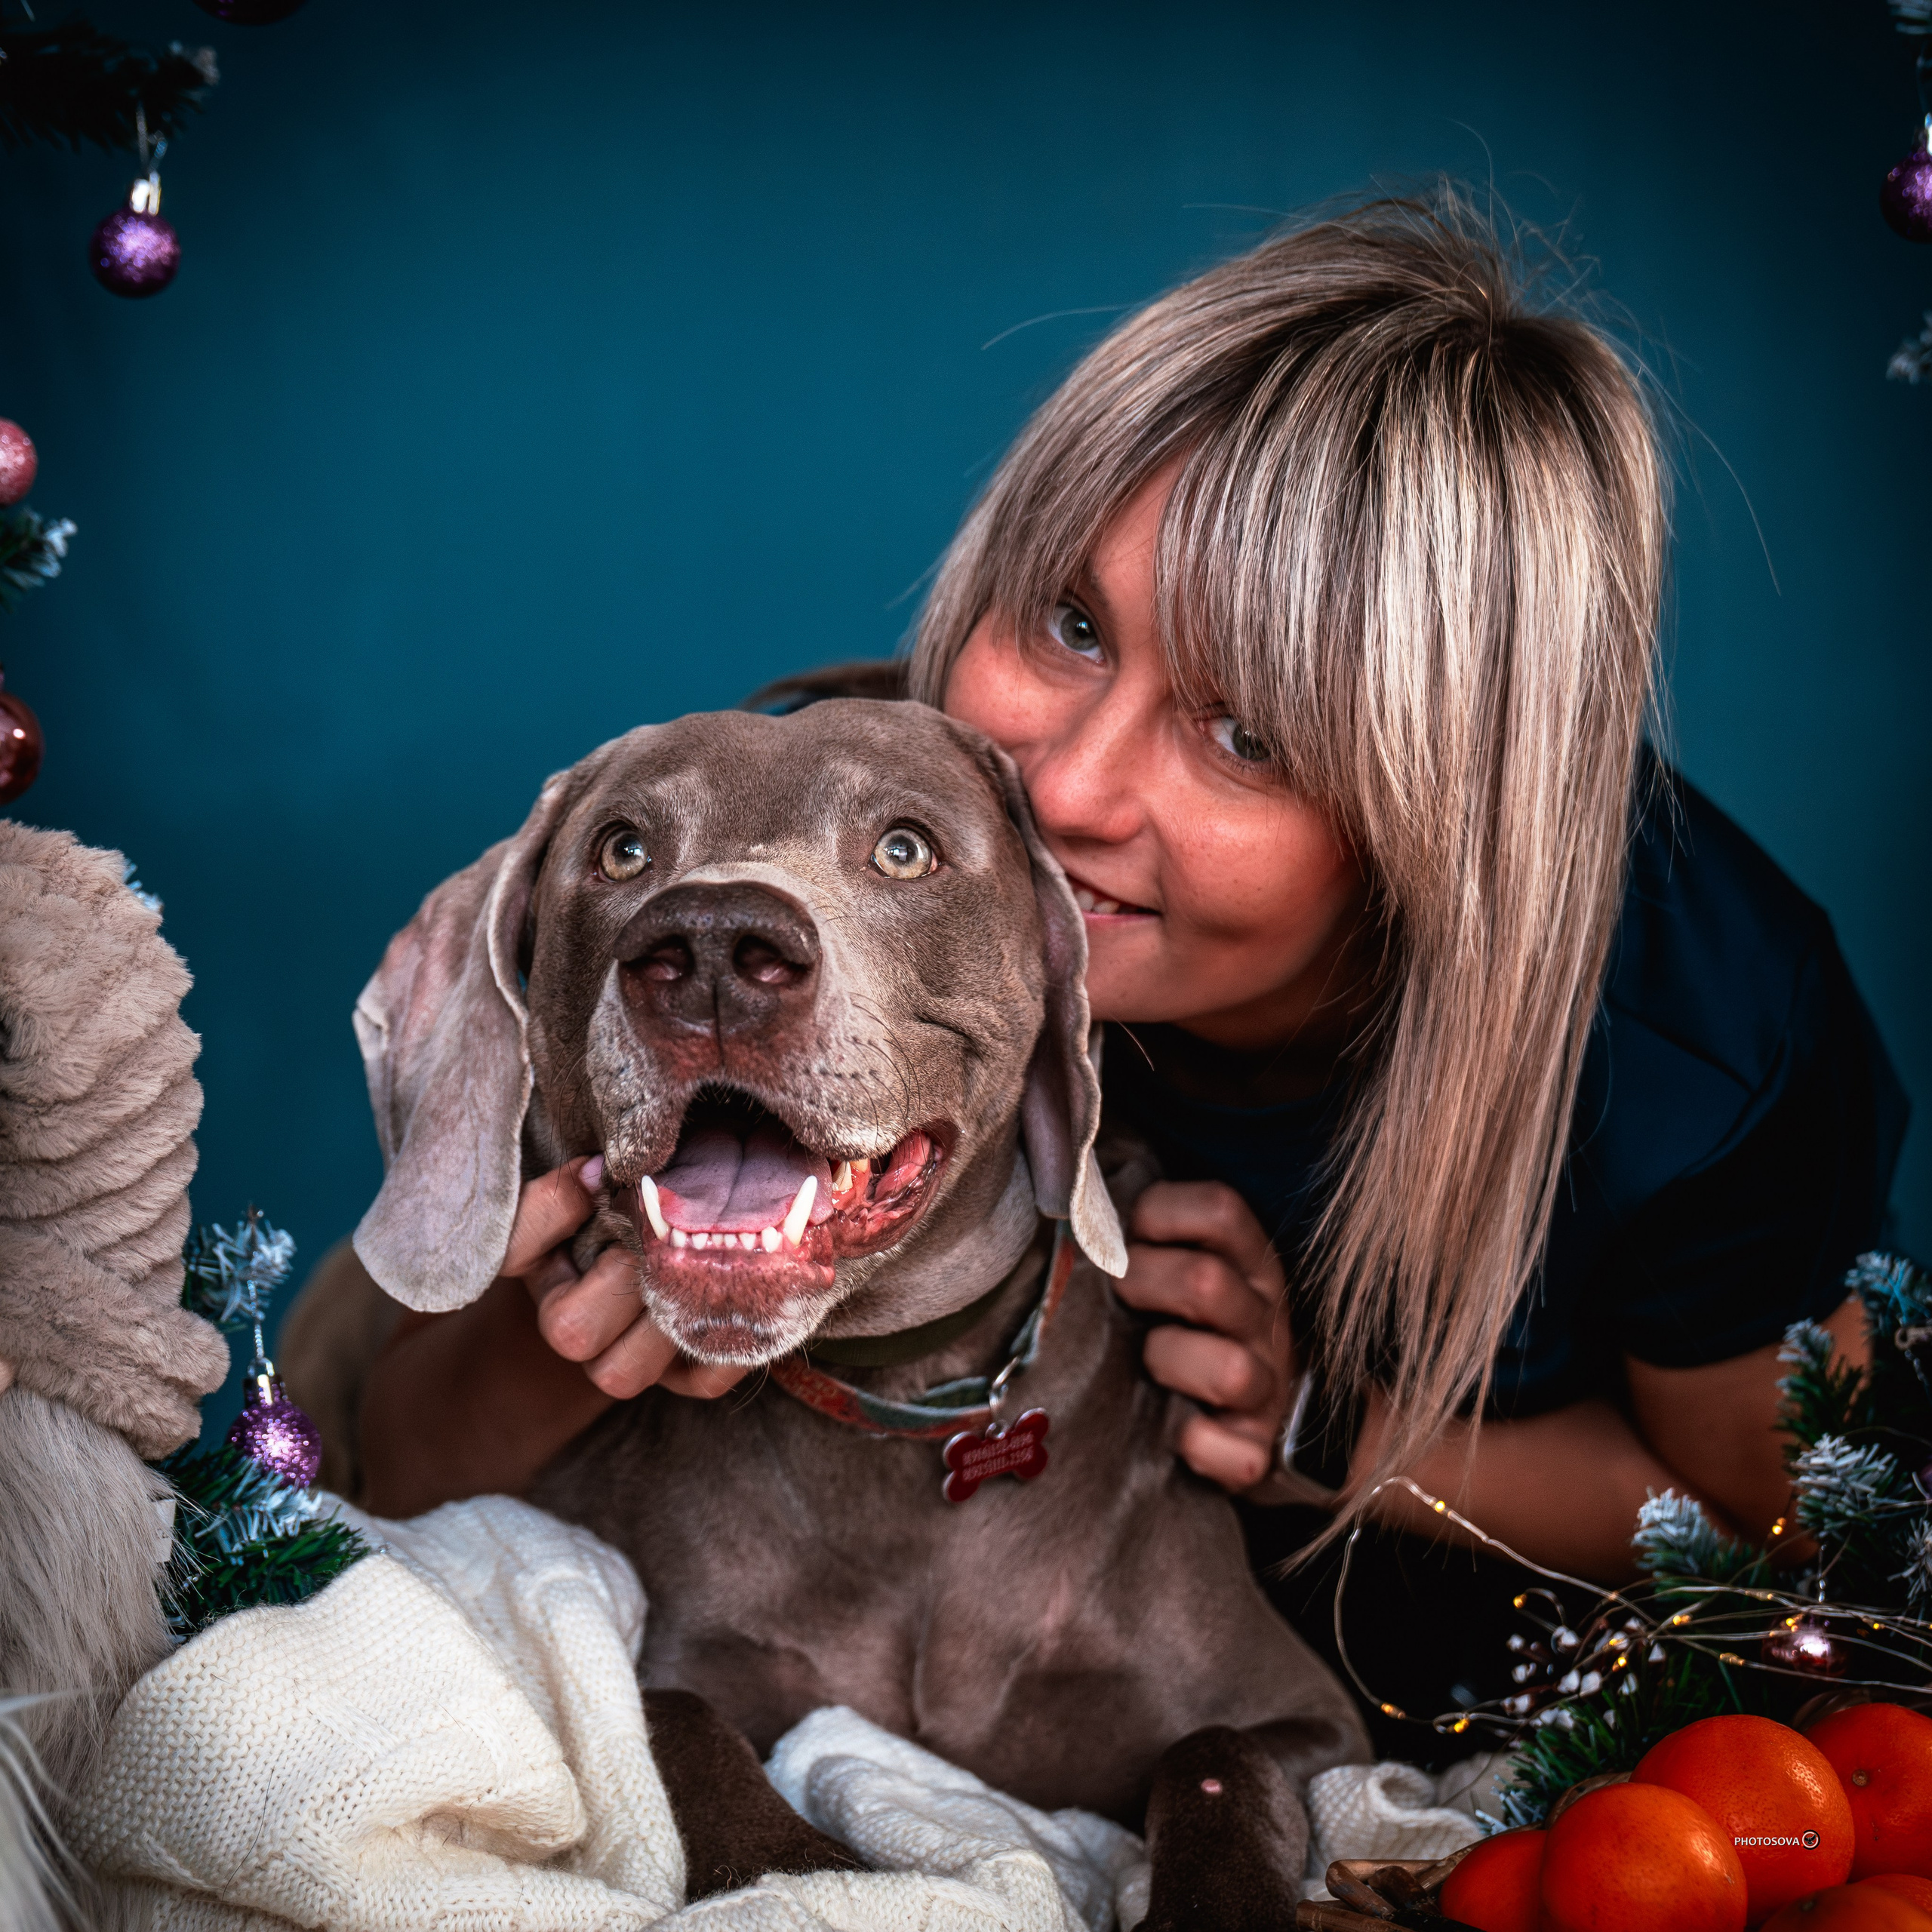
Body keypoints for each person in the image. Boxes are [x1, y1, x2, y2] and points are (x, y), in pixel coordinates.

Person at [351, 195, 1906, 1746]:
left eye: (1246, 736)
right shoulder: (811, 859)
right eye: (1069, 621)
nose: (1072, 788)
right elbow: (382, 1468)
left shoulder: (1699, 1038)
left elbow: (1775, 1521)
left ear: (1442, 820)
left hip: (1461, 1712)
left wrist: (1323, 1424)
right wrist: (600, 1298)